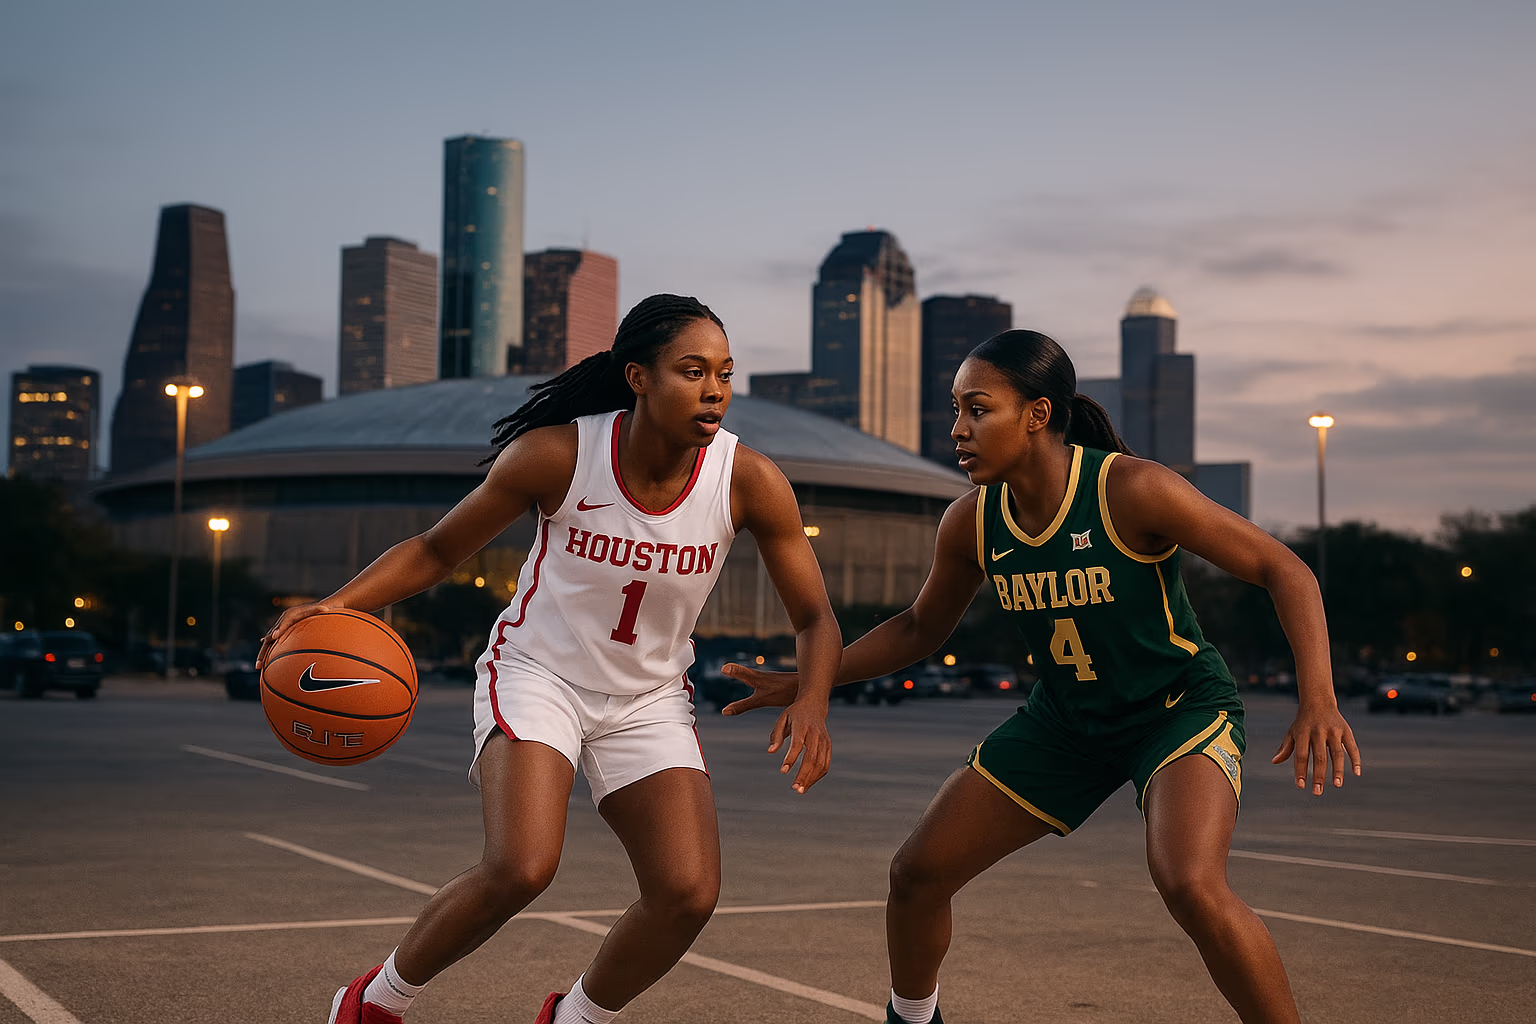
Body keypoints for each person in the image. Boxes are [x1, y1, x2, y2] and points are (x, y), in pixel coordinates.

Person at [721, 329, 1362, 1024]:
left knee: (1189, 882)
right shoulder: (971, 520)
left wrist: (1318, 699)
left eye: (977, 409)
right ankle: (913, 1019)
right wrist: (810, 681)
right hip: (1065, 724)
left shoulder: (1133, 490)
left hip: (1175, 712)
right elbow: (917, 629)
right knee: (916, 875)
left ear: (1037, 415)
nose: (957, 430)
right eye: (956, 410)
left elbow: (1283, 568)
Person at [257, 294, 841, 1024]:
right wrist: (334, 606)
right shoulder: (559, 455)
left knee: (687, 893)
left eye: (725, 372)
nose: (715, 388)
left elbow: (815, 618)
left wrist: (812, 700)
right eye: (692, 371)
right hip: (541, 675)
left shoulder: (748, 479)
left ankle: (575, 1019)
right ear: (638, 377)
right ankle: (373, 1002)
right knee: (521, 867)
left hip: (648, 697)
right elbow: (436, 550)